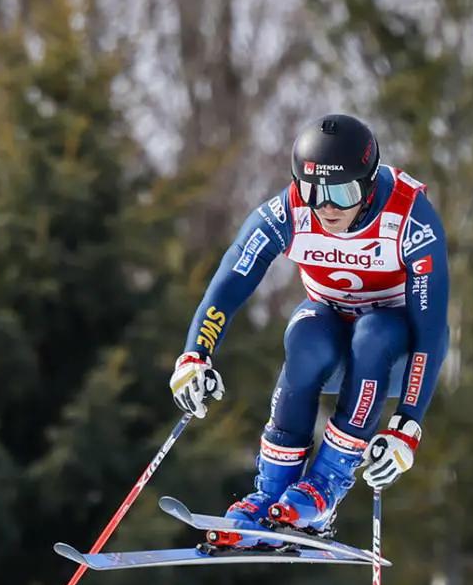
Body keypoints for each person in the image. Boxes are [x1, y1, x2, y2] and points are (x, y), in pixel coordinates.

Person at [168, 113, 450, 546]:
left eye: (342, 192)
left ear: (369, 184)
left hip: (394, 345)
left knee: (372, 334)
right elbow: (230, 282)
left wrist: (406, 426)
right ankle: (270, 497)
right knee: (304, 338)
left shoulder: (410, 219)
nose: (327, 207)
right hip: (331, 324)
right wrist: (195, 355)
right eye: (312, 190)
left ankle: (323, 489)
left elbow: (432, 330)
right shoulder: (290, 210)